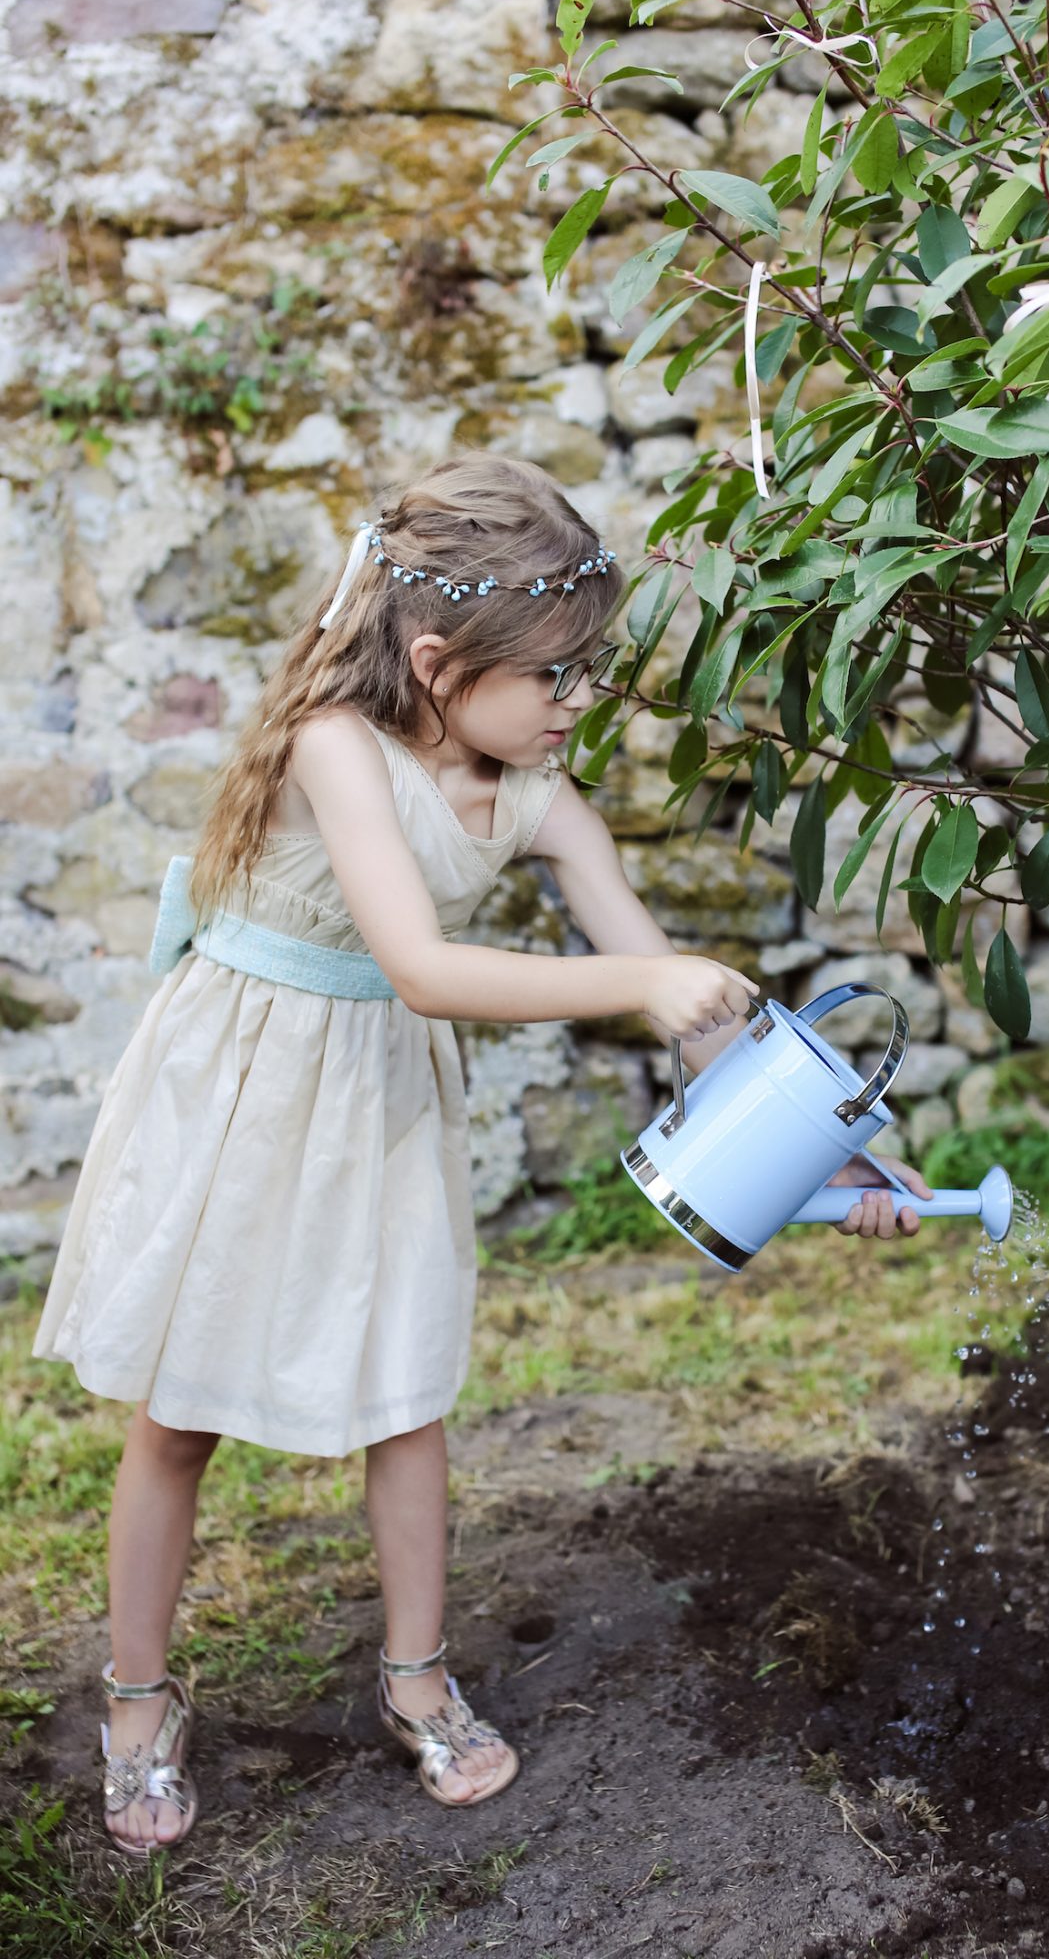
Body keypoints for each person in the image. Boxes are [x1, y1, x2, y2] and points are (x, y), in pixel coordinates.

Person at [32, 451, 926, 1856]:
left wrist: (845, 1164)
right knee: (178, 1408)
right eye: (557, 678)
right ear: (441, 664)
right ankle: (136, 1701)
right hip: (249, 1088)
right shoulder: (336, 745)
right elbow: (424, 964)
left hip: (378, 1101)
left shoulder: (540, 802)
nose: (579, 706)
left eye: (586, 675)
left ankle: (416, 1675)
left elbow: (684, 1012)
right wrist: (645, 985)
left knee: (405, 1391)